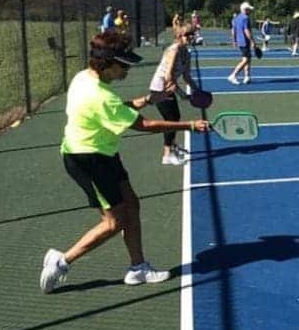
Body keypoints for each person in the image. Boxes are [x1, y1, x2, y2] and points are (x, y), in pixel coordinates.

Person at [39, 32, 209, 294]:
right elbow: (144, 124)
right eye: (124, 64)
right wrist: (190, 125)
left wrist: (148, 100)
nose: (128, 68)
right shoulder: (100, 95)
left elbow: (116, 109)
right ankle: (61, 262)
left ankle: (138, 267)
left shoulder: (83, 78)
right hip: (87, 159)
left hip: (103, 154)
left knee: (132, 204)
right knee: (113, 222)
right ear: (107, 63)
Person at [149, 25, 201, 165]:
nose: (190, 37)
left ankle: (173, 146)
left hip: (169, 88)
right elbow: (168, 75)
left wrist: (198, 91)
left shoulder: (187, 53)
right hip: (160, 88)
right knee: (172, 120)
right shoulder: (174, 50)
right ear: (179, 36)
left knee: (174, 119)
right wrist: (181, 93)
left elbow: (187, 77)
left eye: (192, 34)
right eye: (187, 35)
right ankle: (167, 155)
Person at [228, 2, 257, 85]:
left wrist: (234, 40)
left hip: (240, 41)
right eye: (249, 9)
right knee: (246, 60)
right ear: (245, 10)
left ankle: (247, 76)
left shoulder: (236, 18)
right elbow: (246, 30)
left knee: (248, 58)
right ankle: (233, 75)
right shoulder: (245, 18)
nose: (250, 11)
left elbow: (233, 30)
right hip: (245, 41)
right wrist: (252, 41)